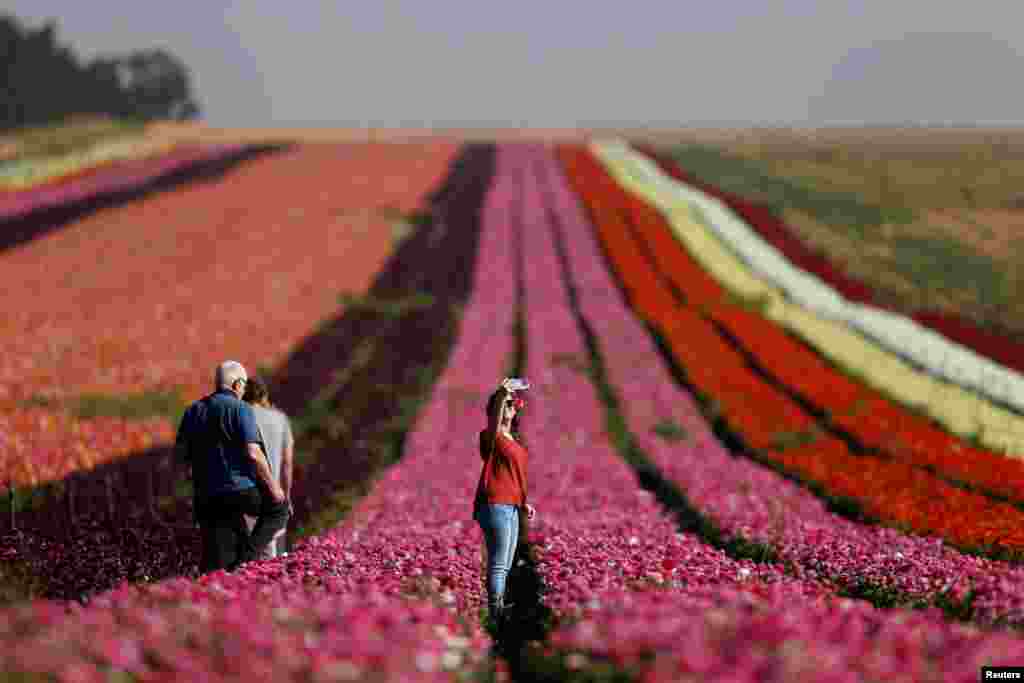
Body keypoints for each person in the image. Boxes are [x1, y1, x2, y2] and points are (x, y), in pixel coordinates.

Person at [175, 360, 289, 573]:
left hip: (206, 496)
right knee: (279, 509)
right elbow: (254, 453)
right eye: (244, 385)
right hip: (239, 491)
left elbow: (180, 457)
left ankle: (228, 569)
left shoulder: (192, 411)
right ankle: (245, 561)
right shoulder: (240, 408)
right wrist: (275, 488)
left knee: (219, 552)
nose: (244, 390)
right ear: (237, 384)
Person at [472, 378, 536, 623]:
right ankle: (496, 612)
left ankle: (498, 610)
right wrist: (502, 392)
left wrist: (524, 501)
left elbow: (515, 476)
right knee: (499, 565)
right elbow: (497, 416)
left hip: (512, 506)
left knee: (506, 564)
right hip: (495, 504)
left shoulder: (513, 440)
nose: (511, 407)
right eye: (507, 404)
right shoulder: (491, 437)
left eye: (513, 404)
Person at [242, 375, 295, 559]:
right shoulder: (280, 419)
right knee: (269, 557)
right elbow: (287, 463)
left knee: (245, 554)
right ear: (264, 396)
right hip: (274, 494)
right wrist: (286, 496)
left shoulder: (239, 416)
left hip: (244, 492)